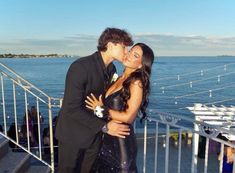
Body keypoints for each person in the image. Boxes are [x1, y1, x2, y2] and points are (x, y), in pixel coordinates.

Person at [55, 27, 133, 173]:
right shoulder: (80, 67)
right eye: (124, 47)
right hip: (73, 136)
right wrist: (105, 127)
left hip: (94, 137)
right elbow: (71, 109)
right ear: (110, 45)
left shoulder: (112, 70)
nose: (127, 51)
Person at [86, 43, 155, 172]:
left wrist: (100, 109)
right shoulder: (119, 78)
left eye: (135, 55)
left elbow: (129, 117)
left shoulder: (136, 82)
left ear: (140, 64)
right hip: (106, 141)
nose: (128, 55)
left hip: (121, 146)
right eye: (130, 51)